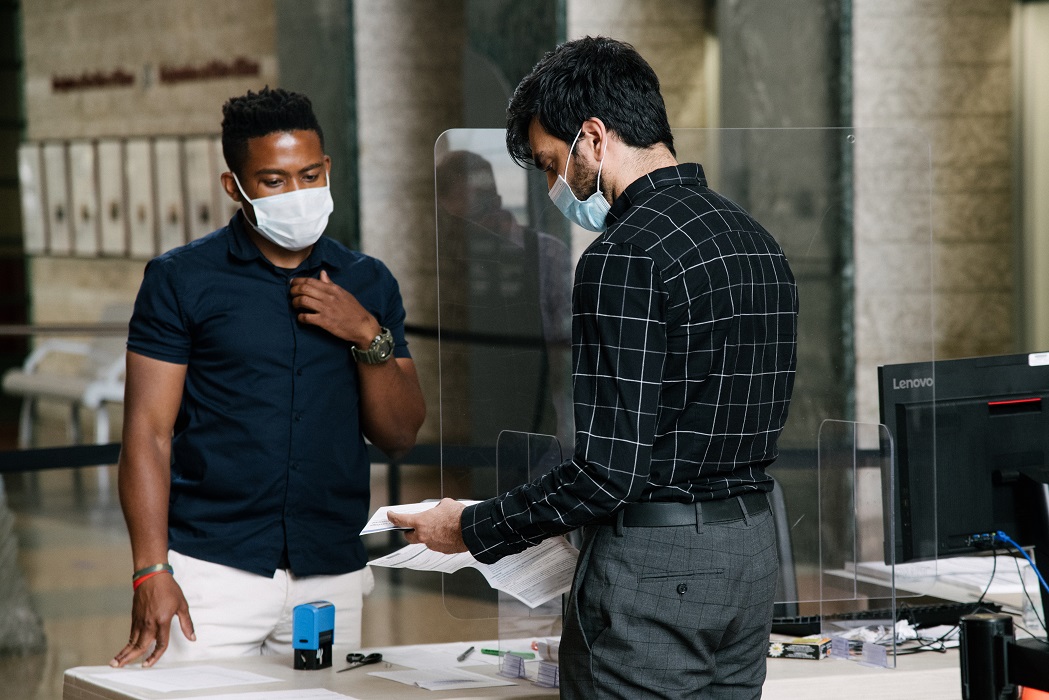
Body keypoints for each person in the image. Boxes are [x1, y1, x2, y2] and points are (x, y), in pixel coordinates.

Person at [389, 37, 798, 699]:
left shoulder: (622, 254)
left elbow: (609, 473)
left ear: (593, 138)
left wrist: (469, 527)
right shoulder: (754, 239)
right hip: (751, 553)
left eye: (553, 164)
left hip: (659, 569)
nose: (555, 187)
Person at [110, 87, 425, 668]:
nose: (298, 194)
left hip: (330, 573)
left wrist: (365, 333)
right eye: (274, 181)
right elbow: (147, 434)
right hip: (212, 574)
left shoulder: (368, 281)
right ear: (235, 186)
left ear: (327, 169)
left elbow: (399, 434)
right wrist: (151, 569)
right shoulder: (182, 280)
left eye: (309, 175)